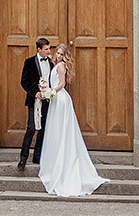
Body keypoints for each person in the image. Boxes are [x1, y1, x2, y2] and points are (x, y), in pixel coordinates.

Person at [38, 42, 109, 197]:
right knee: (55, 130)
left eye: (62, 54)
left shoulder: (61, 66)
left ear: (65, 56)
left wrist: (51, 91)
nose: (58, 56)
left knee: (62, 130)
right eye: (57, 53)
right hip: (56, 99)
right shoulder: (55, 63)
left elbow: (62, 84)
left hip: (60, 99)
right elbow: (48, 58)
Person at [17, 36, 52, 171]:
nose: (49, 51)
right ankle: (23, 158)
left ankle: (37, 157)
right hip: (34, 100)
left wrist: (49, 92)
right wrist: (35, 92)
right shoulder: (29, 62)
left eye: (49, 49)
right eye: (46, 49)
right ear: (39, 49)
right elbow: (24, 82)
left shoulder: (50, 62)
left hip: (47, 100)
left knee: (43, 129)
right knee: (31, 128)